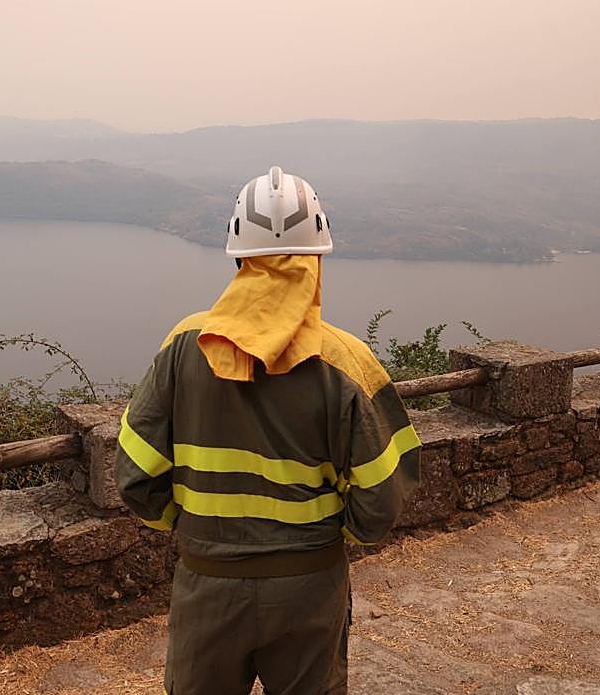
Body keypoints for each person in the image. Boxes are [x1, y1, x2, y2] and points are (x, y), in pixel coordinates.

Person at [115, 165, 422, 695]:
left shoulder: (186, 345)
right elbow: (382, 501)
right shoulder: (346, 361)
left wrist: (196, 532)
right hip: (309, 584)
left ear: (238, 255)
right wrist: (323, 541)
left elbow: (135, 476)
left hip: (205, 582)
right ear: (317, 258)